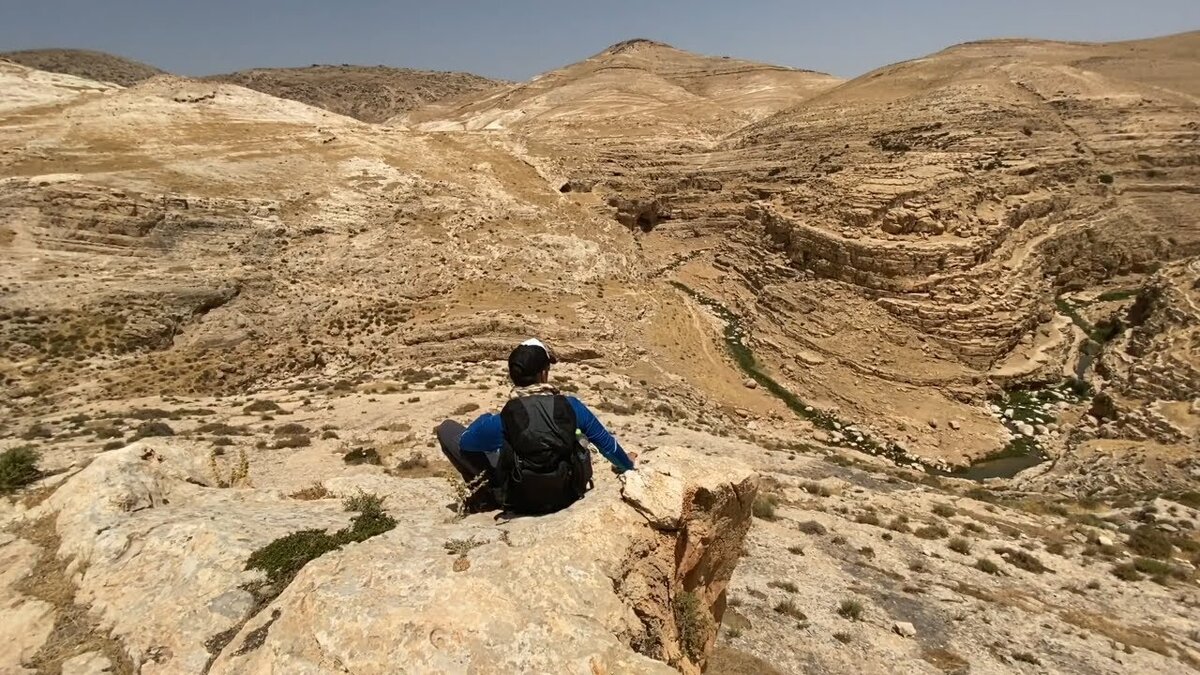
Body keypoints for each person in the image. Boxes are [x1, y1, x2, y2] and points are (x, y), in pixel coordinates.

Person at [436, 338, 636, 514]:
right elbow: (607, 445)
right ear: (543, 374)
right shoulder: (571, 407)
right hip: (569, 494)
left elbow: (466, 443)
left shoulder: (505, 418)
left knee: (447, 429)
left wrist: (485, 419)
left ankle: (486, 497)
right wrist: (626, 465)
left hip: (520, 500)